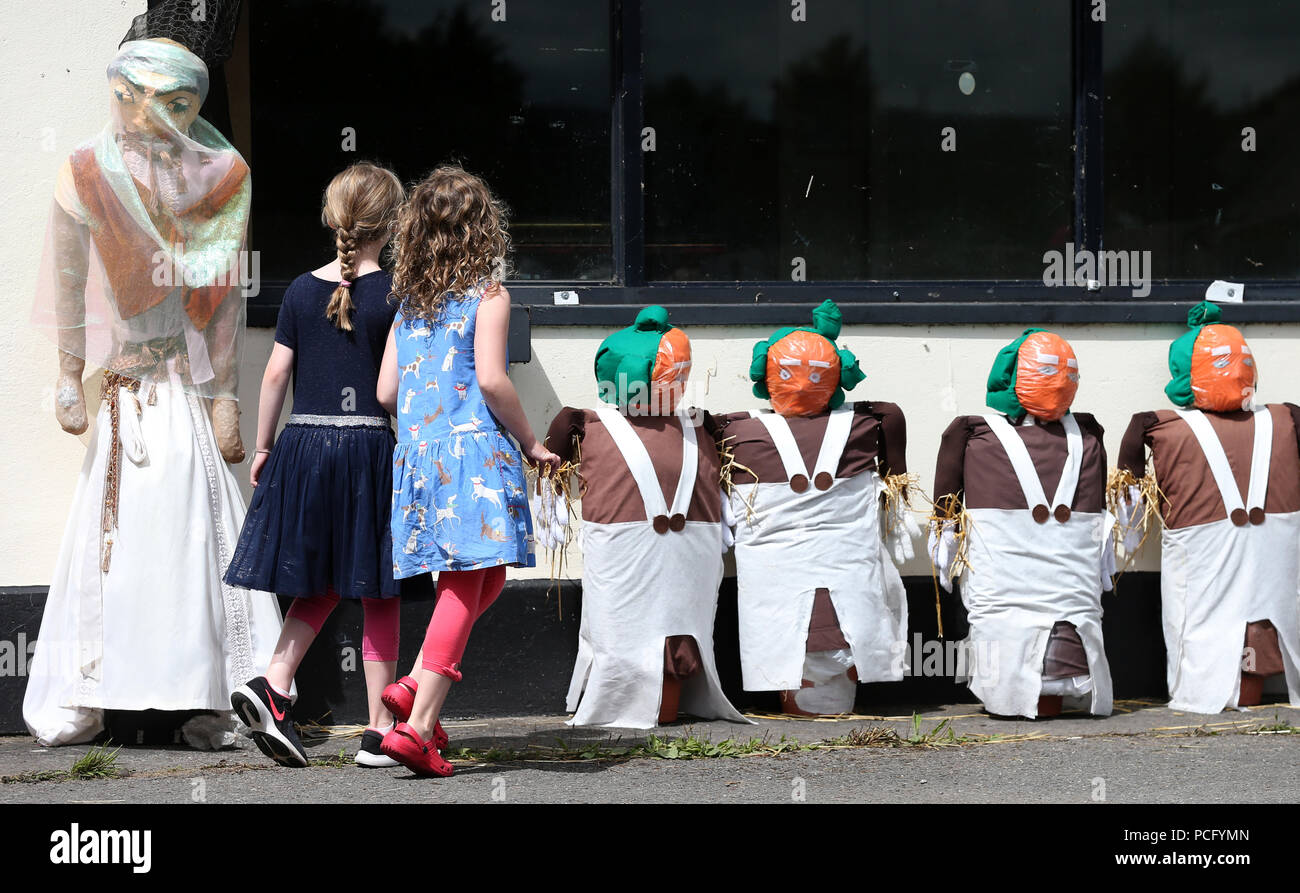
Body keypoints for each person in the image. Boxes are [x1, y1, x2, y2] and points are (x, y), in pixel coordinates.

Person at [24, 33, 284, 746]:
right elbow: (70, 277)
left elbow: (227, 297)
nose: (154, 117)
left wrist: (226, 393)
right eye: (142, 100)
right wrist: (67, 373)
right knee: (117, 542)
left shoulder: (222, 174)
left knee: (191, 535)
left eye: (175, 104)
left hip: (179, 388)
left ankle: (215, 696)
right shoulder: (86, 169)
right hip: (129, 387)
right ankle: (91, 691)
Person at [224, 163, 412, 767]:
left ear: (333, 219)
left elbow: (276, 373)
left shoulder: (301, 291)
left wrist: (263, 448)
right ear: (391, 224)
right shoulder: (398, 294)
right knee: (379, 591)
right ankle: (379, 731)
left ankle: (274, 685)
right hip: (367, 449)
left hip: (304, 446)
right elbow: (394, 389)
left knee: (323, 581)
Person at [375, 165, 559, 777]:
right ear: (486, 230)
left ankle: (411, 682)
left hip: (420, 456)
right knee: (463, 582)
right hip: (472, 451)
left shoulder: (408, 308)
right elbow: (490, 378)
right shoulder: (488, 296)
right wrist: (530, 440)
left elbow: (384, 391)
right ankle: (419, 727)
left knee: (489, 576)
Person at [544, 306, 749, 729]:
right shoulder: (589, 423)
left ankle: (671, 701)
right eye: (667, 376)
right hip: (623, 548)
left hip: (691, 551)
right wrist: (551, 497)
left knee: (682, 624)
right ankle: (622, 703)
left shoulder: (700, 426)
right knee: (621, 624)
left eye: (680, 376)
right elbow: (552, 456)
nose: (676, 385)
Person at [716, 300, 912, 716]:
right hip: (814, 565)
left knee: (826, 622)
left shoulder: (734, 429)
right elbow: (891, 416)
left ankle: (808, 696)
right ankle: (811, 694)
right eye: (789, 375)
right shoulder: (869, 422)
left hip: (805, 565)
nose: (803, 386)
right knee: (812, 624)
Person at [1116, 301, 1299, 712]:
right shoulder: (1287, 419)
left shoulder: (1161, 425)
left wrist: (1125, 531)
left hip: (1205, 560)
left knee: (1205, 618)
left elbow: (1128, 493)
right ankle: (1251, 690)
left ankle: (1215, 692)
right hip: (1274, 560)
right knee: (1262, 616)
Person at [931, 329, 1115, 719]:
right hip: (1036, 588)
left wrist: (943, 545)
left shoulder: (973, 433)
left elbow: (945, 511)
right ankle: (1037, 694)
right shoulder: (1086, 435)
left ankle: (1024, 697)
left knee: (1032, 624)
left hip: (1028, 590)